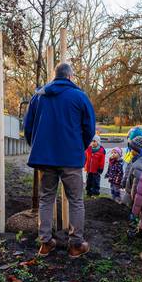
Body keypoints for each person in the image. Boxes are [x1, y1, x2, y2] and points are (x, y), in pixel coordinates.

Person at [24, 62, 95, 259]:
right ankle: (76, 245)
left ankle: (45, 243)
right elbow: (89, 128)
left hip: (45, 158)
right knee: (76, 200)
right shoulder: (79, 97)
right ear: (70, 77)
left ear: (55, 76)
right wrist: (78, 147)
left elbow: (28, 128)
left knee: (46, 198)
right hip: (70, 158)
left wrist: (39, 148)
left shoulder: (38, 97)